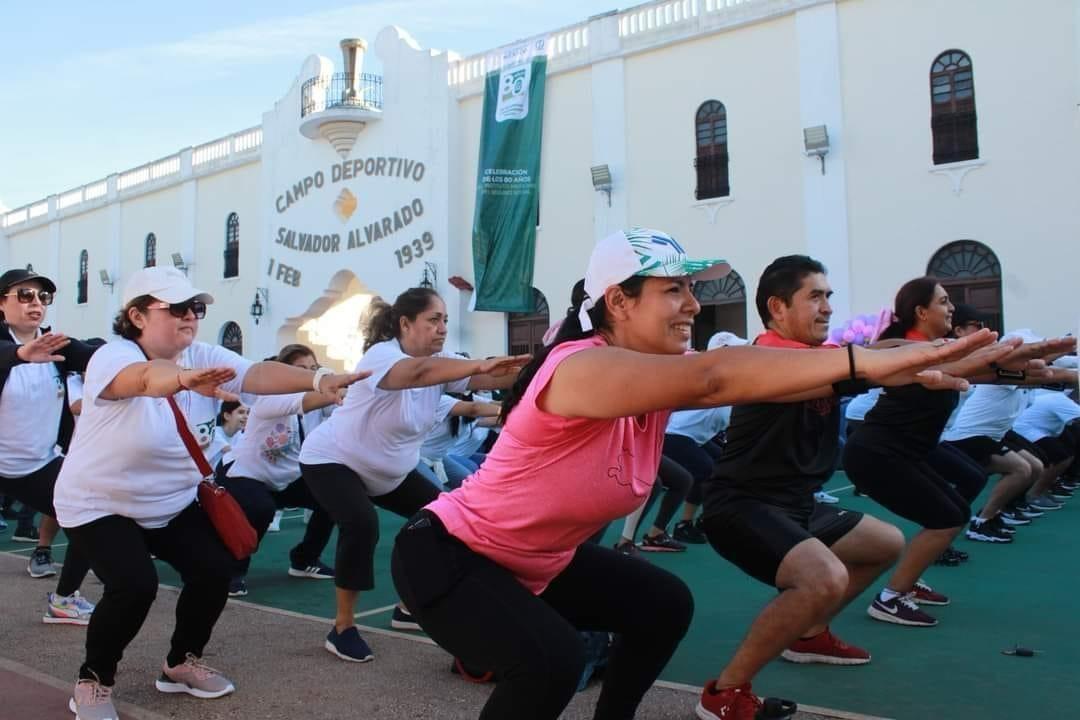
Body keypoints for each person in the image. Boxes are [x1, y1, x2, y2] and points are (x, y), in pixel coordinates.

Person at [389, 231, 993, 720]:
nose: (694, 305)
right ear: (619, 303)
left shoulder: (646, 375)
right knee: (551, 660)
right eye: (674, 289)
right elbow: (716, 377)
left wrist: (894, 366)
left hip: (535, 558)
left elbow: (800, 377)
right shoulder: (581, 368)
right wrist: (871, 361)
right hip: (451, 557)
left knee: (662, 602)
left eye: (692, 289)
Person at [53, 266, 366, 720]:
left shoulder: (201, 353)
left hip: (169, 501)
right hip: (99, 502)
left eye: (195, 308)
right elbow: (141, 380)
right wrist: (180, 381)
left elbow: (255, 373)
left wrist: (319, 381)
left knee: (215, 570)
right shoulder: (113, 357)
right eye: (176, 308)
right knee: (134, 586)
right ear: (137, 316)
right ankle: (94, 680)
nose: (190, 316)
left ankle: (180, 662)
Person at [697, 255, 996, 720]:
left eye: (829, 296)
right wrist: (917, 360)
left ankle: (810, 633)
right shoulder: (764, 358)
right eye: (814, 297)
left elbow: (879, 363)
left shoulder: (820, 358)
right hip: (742, 506)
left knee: (885, 542)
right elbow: (871, 365)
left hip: (796, 503)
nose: (827, 307)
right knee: (823, 578)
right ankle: (724, 694)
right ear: (777, 307)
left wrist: (950, 360)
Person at [299, 288, 529, 662]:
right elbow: (417, 373)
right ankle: (342, 628)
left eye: (445, 321)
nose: (442, 328)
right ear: (405, 324)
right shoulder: (382, 355)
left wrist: (551, 366)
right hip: (334, 459)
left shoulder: (444, 363)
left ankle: (408, 608)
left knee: (447, 521)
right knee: (361, 523)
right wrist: (476, 366)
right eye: (433, 320)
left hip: (392, 471)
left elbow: (492, 381)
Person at [843, 278, 1038, 627]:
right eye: (944, 301)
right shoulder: (901, 348)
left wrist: (1045, 370)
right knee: (947, 516)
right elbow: (879, 348)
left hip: (907, 452)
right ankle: (890, 599)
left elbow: (989, 373)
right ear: (920, 311)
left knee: (958, 502)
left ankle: (908, 579)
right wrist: (948, 350)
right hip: (876, 453)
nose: (952, 308)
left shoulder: (941, 350)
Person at [0, 267, 98, 624]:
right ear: (2, 303)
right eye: (24, 295)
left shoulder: (56, 346)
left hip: (37, 464)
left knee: (91, 516)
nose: (35, 303)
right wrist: (21, 355)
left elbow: (96, 357)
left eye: (42, 297)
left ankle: (64, 598)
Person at [220, 344, 342, 598]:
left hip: (286, 477)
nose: (310, 375)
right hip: (245, 473)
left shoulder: (317, 400)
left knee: (332, 498)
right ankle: (231, 572)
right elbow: (311, 400)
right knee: (260, 510)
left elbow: (344, 405)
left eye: (313, 369)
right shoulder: (270, 398)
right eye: (301, 370)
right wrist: (334, 386)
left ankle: (304, 559)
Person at [208, 400, 248, 470]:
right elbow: (232, 453)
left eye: (247, 413)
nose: (246, 417)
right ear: (227, 416)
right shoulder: (213, 432)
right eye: (241, 412)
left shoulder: (242, 436)